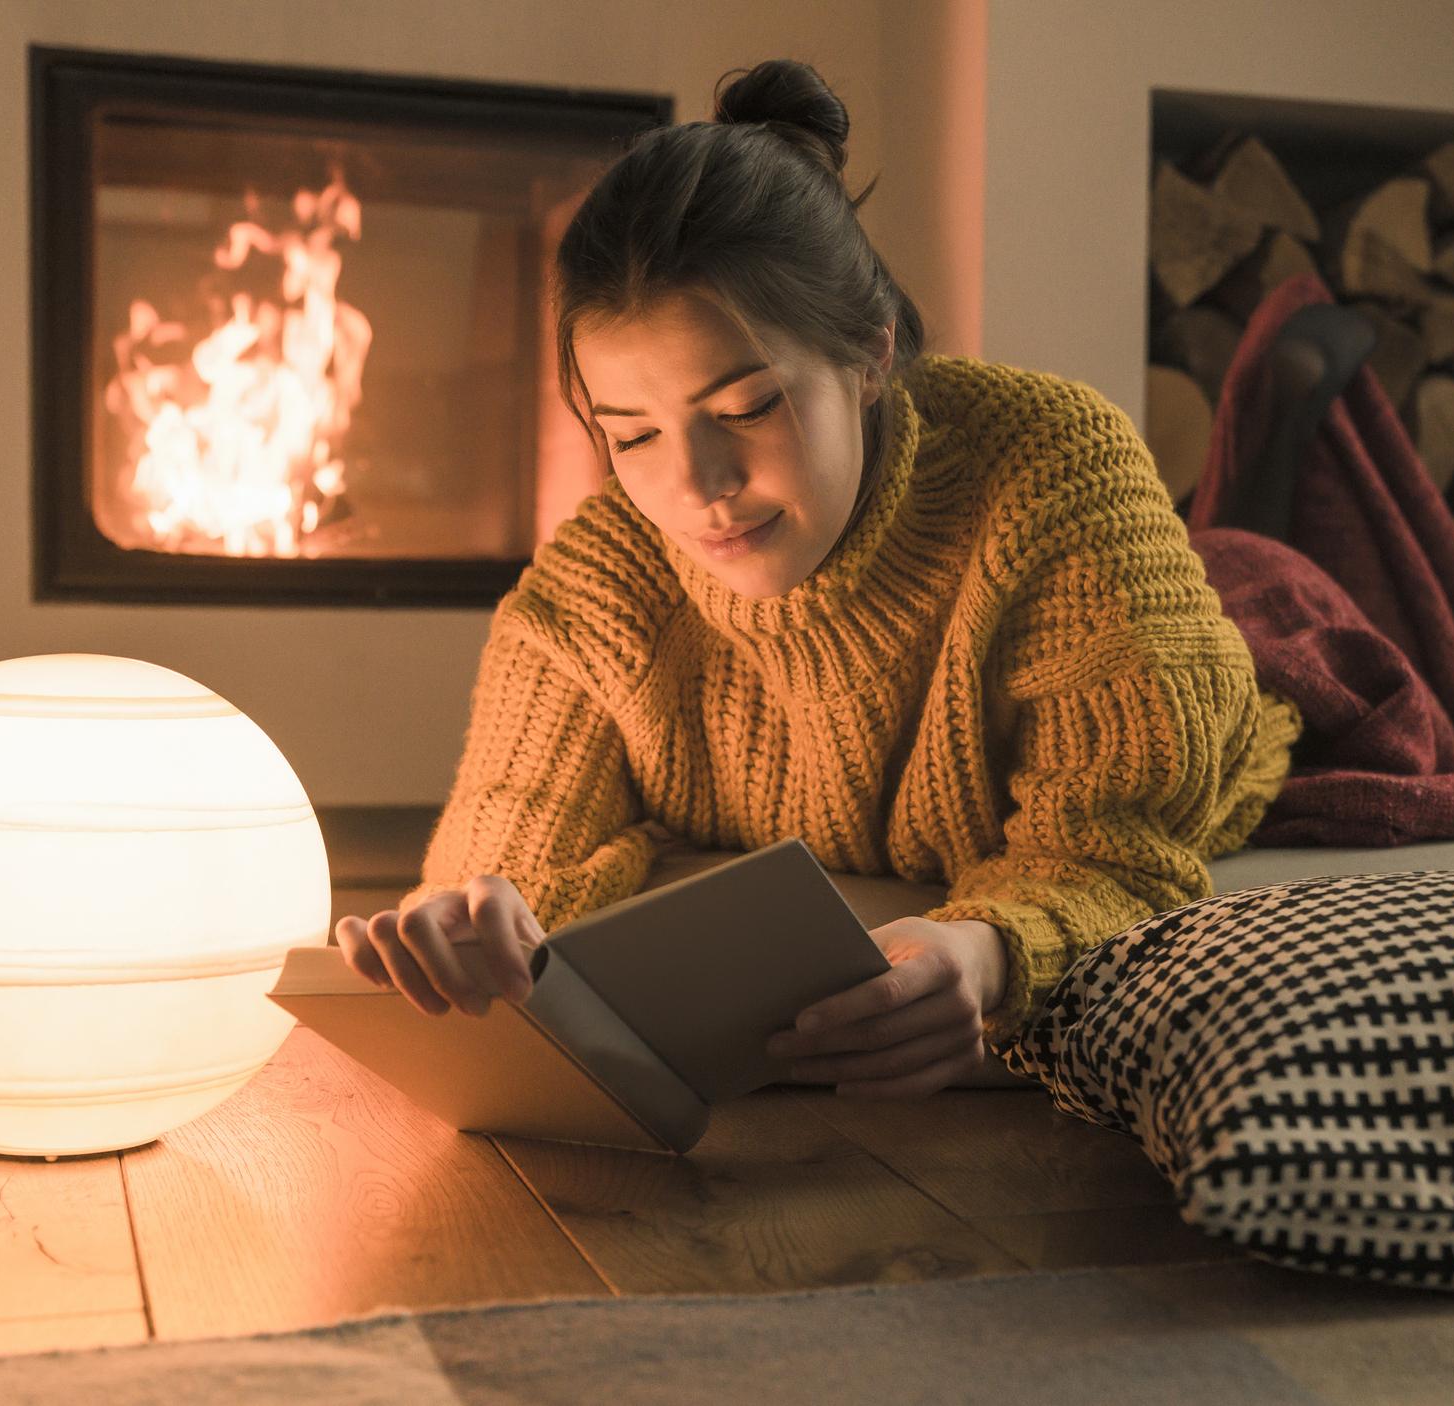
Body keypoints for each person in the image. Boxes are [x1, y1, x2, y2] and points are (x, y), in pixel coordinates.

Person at [334, 58, 1303, 1099]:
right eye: (632, 435)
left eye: (746, 409)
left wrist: (984, 953)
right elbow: (503, 857)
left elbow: (1116, 851)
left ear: (871, 354)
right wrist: (462, 927)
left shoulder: (1053, 473)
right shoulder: (596, 587)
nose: (696, 486)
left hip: (1219, 656)